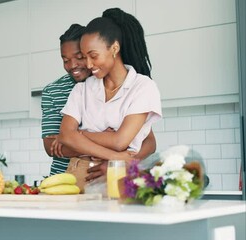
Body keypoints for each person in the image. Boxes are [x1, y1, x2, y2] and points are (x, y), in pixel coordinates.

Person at [41, 23, 156, 180]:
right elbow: (53, 145)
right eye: (65, 60)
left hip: (111, 175)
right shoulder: (60, 91)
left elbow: (145, 141)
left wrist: (79, 136)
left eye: (80, 57)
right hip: (64, 177)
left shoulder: (133, 86)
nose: (73, 65)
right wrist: (110, 147)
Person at [59, 8, 162, 164]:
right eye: (84, 57)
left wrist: (78, 134)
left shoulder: (143, 87)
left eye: (93, 56)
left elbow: (120, 141)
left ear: (115, 48)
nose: (88, 64)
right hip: (81, 177)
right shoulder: (82, 89)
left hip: (119, 177)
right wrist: (115, 156)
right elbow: (65, 139)